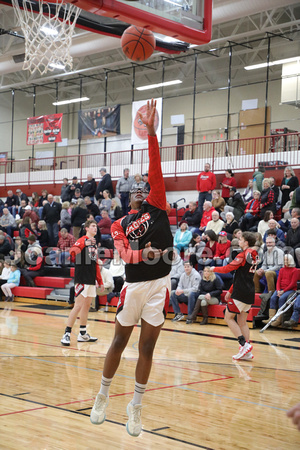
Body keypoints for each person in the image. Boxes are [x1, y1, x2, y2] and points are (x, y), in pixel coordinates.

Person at [90, 100, 173, 437]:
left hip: (159, 285)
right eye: (136, 186)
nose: (141, 186)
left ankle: (135, 407)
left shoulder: (159, 205)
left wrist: (152, 133)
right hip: (135, 285)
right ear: (129, 196)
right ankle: (102, 395)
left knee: (148, 348)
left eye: (144, 183)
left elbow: (155, 165)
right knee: (119, 343)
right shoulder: (120, 223)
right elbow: (124, 254)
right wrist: (146, 255)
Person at [211, 231, 258, 360]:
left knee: (228, 317)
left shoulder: (244, 255)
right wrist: (230, 290)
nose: (239, 241)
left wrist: (213, 269)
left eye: (241, 239)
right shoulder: (255, 255)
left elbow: (228, 269)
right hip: (249, 291)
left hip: (241, 291)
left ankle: (243, 344)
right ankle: (247, 352)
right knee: (242, 321)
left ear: (246, 242)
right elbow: (240, 274)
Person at [61, 219, 103, 346]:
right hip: (81, 278)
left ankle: (83, 333)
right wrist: (84, 243)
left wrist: (99, 280)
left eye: (96, 226)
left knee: (86, 307)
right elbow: (72, 252)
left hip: (90, 279)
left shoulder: (94, 244)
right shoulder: (82, 240)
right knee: (78, 306)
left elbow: (95, 264)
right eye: (93, 226)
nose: (95, 228)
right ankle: (67, 333)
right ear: (87, 228)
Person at [263, 254, 298, 327]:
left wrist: (283, 291)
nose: (285, 261)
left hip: (290, 289)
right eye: (284, 260)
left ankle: (279, 319)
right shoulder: (282, 270)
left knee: (281, 299)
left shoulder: (295, 271)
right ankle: (271, 318)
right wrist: (278, 290)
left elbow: (293, 283)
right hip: (280, 289)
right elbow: (278, 281)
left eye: (287, 260)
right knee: (273, 298)